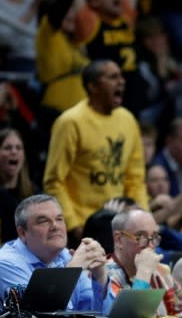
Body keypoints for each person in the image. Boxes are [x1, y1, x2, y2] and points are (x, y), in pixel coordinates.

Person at [43, 60, 149, 246]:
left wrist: (144, 219)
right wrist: (74, 225)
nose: (121, 81)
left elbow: (135, 178)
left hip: (120, 228)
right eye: (112, 77)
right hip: (84, 228)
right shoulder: (70, 122)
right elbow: (54, 181)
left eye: (121, 76)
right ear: (93, 86)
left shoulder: (128, 120)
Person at [0, 194, 108, 311]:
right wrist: (72, 271)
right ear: (22, 233)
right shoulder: (4, 263)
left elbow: (93, 314)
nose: (55, 226)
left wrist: (100, 276)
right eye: (43, 221)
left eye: (59, 219)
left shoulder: (65, 256)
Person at [104, 208, 182, 318]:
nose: (150, 246)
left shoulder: (161, 271)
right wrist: (143, 274)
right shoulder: (103, 276)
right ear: (119, 239)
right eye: (141, 237)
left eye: (154, 237)